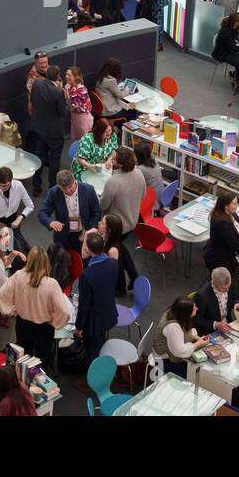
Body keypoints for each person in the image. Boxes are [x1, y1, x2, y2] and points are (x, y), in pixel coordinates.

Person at [99, 146, 144, 295]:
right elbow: (143, 196)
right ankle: (134, 276)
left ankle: (120, 287)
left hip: (116, 225)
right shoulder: (139, 173)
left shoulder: (113, 181)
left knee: (114, 253)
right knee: (120, 248)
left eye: (114, 159)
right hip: (132, 221)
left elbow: (103, 205)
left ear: (119, 163)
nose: (112, 160)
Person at [75, 231, 120, 362]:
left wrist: (79, 327)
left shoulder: (86, 275)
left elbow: (84, 305)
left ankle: (95, 379)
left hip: (93, 322)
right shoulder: (113, 263)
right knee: (101, 345)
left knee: (93, 354)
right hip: (109, 313)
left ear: (88, 249)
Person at [28, 65, 69, 196]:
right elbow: (63, 112)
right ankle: (52, 187)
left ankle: (36, 186)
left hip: (39, 129)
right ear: (57, 77)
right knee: (54, 161)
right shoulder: (58, 92)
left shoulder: (37, 83)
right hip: (54, 133)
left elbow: (33, 100)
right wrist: (66, 100)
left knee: (39, 157)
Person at [39, 169, 100, 252]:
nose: (68, 191)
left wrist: (88, 231)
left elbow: (96, 212)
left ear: (74, 181)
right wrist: (50, 222)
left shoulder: (88, 190)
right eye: (64, 189)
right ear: (59, 186)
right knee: (60, 261)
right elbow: (42, 213)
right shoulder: (53, 192)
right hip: (62, 235)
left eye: (70, 187)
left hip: (83, 234)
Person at [152, 296, 210, 378]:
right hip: (165, 361)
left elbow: (186, 330)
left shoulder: (176, 313)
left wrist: (196, 337)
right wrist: (197, 344)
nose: (197, 308)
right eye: (194, 308)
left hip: (172, 353)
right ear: (186, 312)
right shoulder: (173, 326)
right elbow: (179, 351)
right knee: (195, 374)